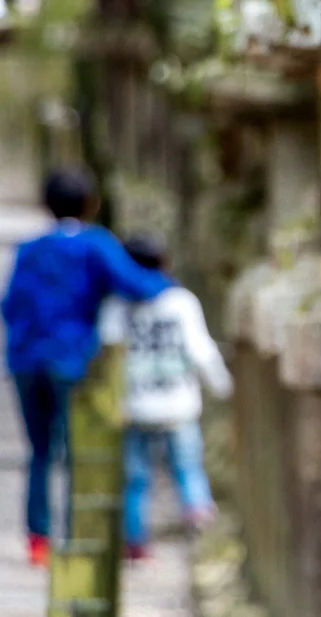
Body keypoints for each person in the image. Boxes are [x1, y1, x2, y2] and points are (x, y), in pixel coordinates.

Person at [2, 167, 171, 567]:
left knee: (40, 451)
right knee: (78, 450)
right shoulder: (95, 245)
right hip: (71, 360)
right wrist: (171, 289)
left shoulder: (30, 249)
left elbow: (10, 305)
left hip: (26, 361)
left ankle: (38, 540)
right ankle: (78, 533)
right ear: (89, 203)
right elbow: (136, 283)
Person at [98, 233, 232, 562]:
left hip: (135, 405)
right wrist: (223, 385)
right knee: (188, 468)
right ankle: (200, 524)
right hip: (178, 403)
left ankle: (136, 541)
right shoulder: (181, 301)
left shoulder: (116, 304)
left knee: (136, 479)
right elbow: (201, 351)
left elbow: (106, 347)